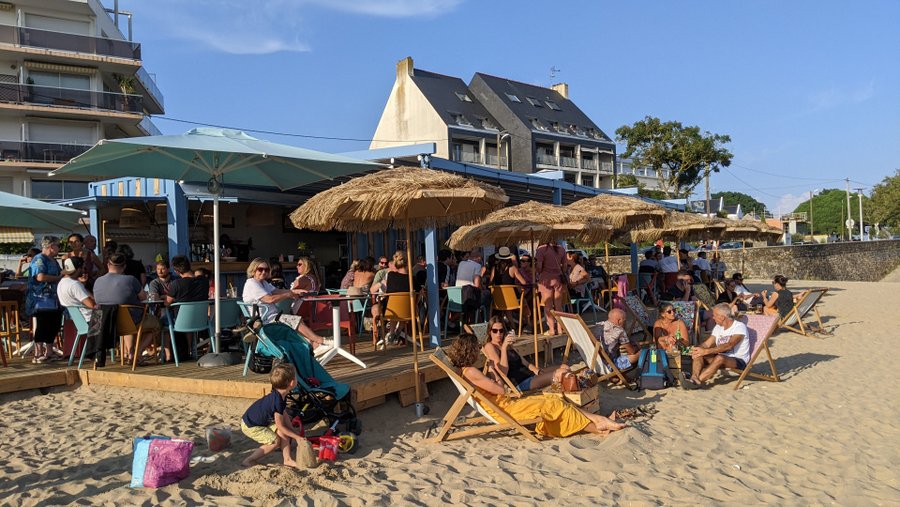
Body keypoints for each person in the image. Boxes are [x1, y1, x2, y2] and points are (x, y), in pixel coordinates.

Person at [446, 333, 625, 438]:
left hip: (506, 404)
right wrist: (493, 371)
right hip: (506, 409)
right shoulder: (471, 372)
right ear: (468, 351)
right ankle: (598, 426)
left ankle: (598, 422)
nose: (479, 350)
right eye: (476, 348)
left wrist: (493, 372)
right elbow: (500, 389)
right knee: (554, 404)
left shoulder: (467, 371)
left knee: (552, 398)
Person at [242, 258, 329, 350]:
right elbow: (270, 299)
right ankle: (321, 341)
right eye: (260, 269)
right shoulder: (252, 283)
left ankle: (314, 345)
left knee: (296, 321)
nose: (264, 272)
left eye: (266, 270)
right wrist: (289, 294)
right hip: (263, 320)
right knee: (296, 321)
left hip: (272, 317)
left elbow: (276, 291)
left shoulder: (263, 283)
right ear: (253, 270)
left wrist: (294, 291)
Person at [93, 253, 161, 365]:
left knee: (127, 320)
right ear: (124, 266)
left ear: (108, 264)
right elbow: (143, 297)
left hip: (107, 324)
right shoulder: (131, 280)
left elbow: (98, 301)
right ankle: (136, 354)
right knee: (157, 324)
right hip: (129, 321)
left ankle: (130, 354)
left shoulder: (98, 281)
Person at [240, 363, 307, 468]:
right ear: (292, 382)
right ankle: (249, 460)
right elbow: (281, 425)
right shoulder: (278, 401)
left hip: (259, 421)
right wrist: (297, 437)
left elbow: (284, 415)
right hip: (251, 426)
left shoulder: (280, 395)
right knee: (275, 441)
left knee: (282, 432)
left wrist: (293, 432)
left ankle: (287, 460)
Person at [482, 317, 567, 391]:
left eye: (501, 331)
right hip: (521, 382)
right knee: (561, 373)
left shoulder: (508, 345)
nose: (498, 334)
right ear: (489, 332)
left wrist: (538, 371)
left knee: (565, 367)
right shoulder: (490, 346)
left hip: (531, 375)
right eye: (495, 331)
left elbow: (526, 363)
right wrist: (504, 348)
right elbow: (503, 372)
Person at [685, 303, 750, 388]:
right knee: (699, 354)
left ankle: (697, 381)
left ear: (722, 317)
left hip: (738, 360)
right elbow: (707, 344)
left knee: (720, 358)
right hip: (720, 356)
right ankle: (694, 377)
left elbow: (729, 345)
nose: (713, 318)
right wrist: (697, 349)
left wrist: (706, 351)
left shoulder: (739, 327)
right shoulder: (718, 327)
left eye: (714, 315)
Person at [25, 236, 63, 362]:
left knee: (54, 324)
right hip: (40, 298)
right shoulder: (39, 259)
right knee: (43, 324)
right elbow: (40, 277)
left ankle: (49, 351)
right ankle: (38, 352)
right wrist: (58, 278)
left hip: (54, 298)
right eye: (58, 246)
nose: (59, 248)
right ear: (51, 246)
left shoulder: (54, 260)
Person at [165, 256, 210, 361]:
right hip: (201, 321)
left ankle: (167, 355)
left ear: (176, 271)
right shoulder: (204, 281)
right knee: (187, 319)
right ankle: (189, 349)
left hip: (181, 322)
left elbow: (167, 303)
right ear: (189, 266)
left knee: (161, 323)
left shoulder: (176, 284)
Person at [535, 240, 567, 336]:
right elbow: (565, 266)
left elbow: (539, 267)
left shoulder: (541, 249)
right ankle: (560, 329)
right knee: (558, 306)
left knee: (548, 306)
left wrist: (537, 269)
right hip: (558, 279)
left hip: (546, 279)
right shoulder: (561, 249)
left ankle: (552, 329)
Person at [57, 257, 96, 324]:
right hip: (87, 319)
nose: (84, 271)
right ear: (78, 269)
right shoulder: (75, 284)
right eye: (83, 268)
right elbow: (92, 305)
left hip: (74, 320)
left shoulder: (61, 283)